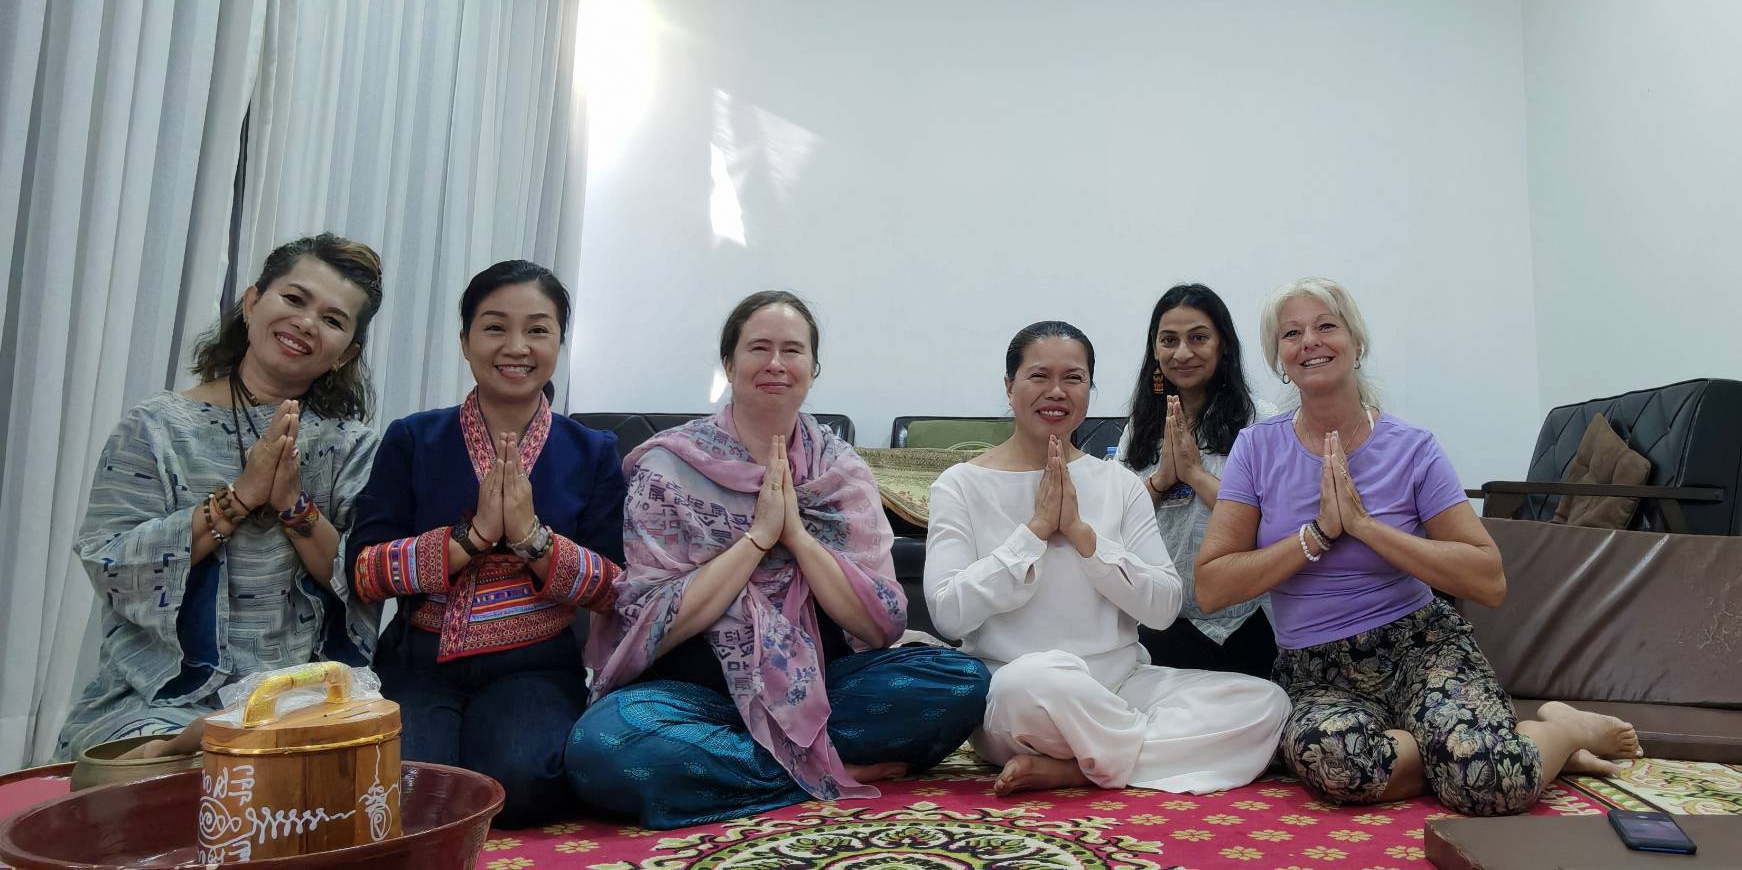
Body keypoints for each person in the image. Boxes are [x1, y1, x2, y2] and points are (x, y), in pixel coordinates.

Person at [1196, 276, 1643, 816]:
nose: (1309, 341)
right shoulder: (1256, 448)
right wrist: (1316, 536)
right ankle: (1470, 749)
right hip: (1314, 669)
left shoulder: (1413, 449)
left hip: (1419, 648)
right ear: (1279, 360)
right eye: (1292, 333)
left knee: (1490, 786)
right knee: (1334, 760)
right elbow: (1213, 585)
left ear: (1356, 343)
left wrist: (1364, 527)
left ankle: (1558, 733)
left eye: (1326, 326)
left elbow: (1488, 579)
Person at [568, 290, 990, 829]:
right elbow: (649, 618)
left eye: (792, 350)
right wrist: (757, 539)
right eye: (758, 348)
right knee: (602, 745)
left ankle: (746, 768)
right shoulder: (668, 469)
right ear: (728, 363)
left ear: (813, 368)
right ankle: (832, 768)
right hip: (693, 697)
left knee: (962, 680)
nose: (775, 363)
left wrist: (796, 534)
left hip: (819, 690)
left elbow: (879, 624)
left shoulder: (839, 472)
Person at [925, 321, 1289, 797]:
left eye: (1073, 378)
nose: (1056, 391)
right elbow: (949, 615)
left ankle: (1080, 765)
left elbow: (1162, 606)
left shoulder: (1117, 484)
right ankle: (1140, 753)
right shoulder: (960, 484)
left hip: (1120, 682)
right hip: (1022, 694)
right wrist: (1034, 532)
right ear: (1009, 385)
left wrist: (1084, 537)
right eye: (1039, 376)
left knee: (1264, 702)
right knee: (1038, 681)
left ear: (1089, 390)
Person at [57, 234, 386, 757]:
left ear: (344, 353)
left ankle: (228, 738)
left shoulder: (353, 448)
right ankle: (185, 744)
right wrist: (238, 497)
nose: (305, 323)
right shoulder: (158, 426)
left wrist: (293, 506)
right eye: (294, 299)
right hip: (157, 694)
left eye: (332, 319)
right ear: (252, 303)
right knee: (143, 776)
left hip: (296, 689)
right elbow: (112, 564)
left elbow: (368, 580)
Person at [348, 260, 623, 829]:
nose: (516, 346)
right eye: (495, 327)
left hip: (538, 666)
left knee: (523, 780)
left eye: (538, 329)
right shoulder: (413, 438)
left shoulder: (592, 450)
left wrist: (531, 538)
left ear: (559, 343)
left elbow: (616, 588)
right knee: (408, 788)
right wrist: (468, 541)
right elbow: (364, 571)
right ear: (465, 342)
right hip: (419, 661)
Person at [1118, 283, 1278, 679]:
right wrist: (1159, 481)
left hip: (1244, 622)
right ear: (1155, 351)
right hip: (1158, 618)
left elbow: (1274, 525)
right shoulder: (1140, 427)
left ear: (1223, 345)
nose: (1182, 353)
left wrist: (1194, 475)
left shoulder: (1263, 423)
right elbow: (1115, 521)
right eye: (1168, 340)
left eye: (1198, 338)